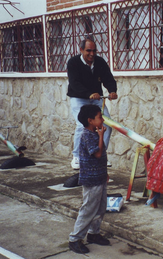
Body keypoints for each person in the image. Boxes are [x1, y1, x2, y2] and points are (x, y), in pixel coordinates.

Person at [67, 38, 118, 170]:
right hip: (79, 97)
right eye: (88, 50)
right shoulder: (73, 62)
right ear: (81, 50)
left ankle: (101, 154)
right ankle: (77, 157)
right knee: (81, 125)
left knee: (107, 124)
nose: (91, 54)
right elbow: (74, 83)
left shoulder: (99, 62)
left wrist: (112, 91)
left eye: (94, 51)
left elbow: (108, 78)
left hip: (96, 98)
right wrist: (88, 93)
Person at [68, 105, 110, 254]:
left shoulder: (94, 133)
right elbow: (97, 154)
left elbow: (101, 156)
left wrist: (105, 173)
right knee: (88, 209)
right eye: (100, 116)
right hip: (91, 180)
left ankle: (94, 233)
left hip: (100, 177)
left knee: (100, 207)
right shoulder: (87, 135)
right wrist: (100, 136)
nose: (103, 119)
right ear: (90, 120)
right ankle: (75, 238)